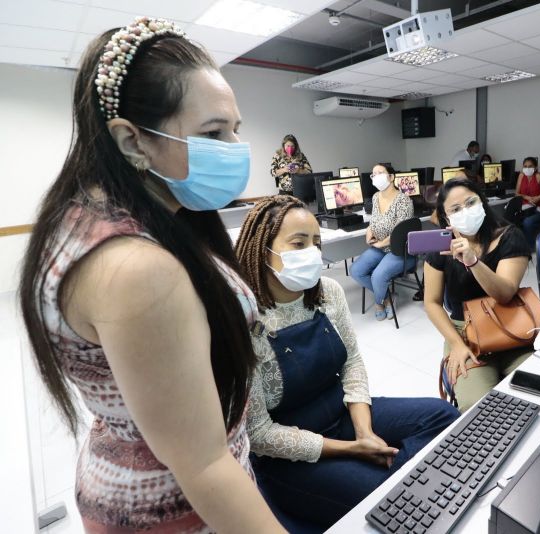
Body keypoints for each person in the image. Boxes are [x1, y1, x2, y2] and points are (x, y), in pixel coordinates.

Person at [18, 18, 285, 532]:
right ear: (132, 141)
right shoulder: (135, 269)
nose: (233, 147)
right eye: (213, 133)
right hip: (175, 508)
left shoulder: (91, 214)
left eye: (235, 130)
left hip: (130, 467)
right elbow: (204, 467)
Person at [234, 195, 460, 531]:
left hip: (340, 413)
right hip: (288, 455)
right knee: (383, 495)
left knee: (444, 418)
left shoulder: (327, 292)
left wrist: (364, 430)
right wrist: (352, 449)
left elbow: (352, 362)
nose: (312, 253)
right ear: (262, 248)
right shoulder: (243, 318)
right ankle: (395, 488)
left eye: (316, 243)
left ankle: (397, 483)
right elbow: (260, 434)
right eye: (298, 243)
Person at [424, 179, 531, 412]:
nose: (465, 211)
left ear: (482, 202)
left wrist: (473, 261)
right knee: (477, 408)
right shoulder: (441, 246)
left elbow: (504, 294)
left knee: (535, 392)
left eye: (471, 202)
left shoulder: (509, 236)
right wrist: (456, 345)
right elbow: (431, 302)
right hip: (465, 334)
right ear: (446, 218)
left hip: (511, 326)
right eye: (455, 209)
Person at [351, 164, 416, 320]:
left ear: (391, 177)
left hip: (399, 250)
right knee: (356, 271)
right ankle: (388, 297)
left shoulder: (403, 200)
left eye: (380, 173)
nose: (376, 176)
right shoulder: (375, 197)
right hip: (380, 247)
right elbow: (373, 222)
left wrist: (382, 244)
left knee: (378, 276)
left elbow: (400, 233)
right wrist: (369, 232)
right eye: (373, 174)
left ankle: (379, 303)